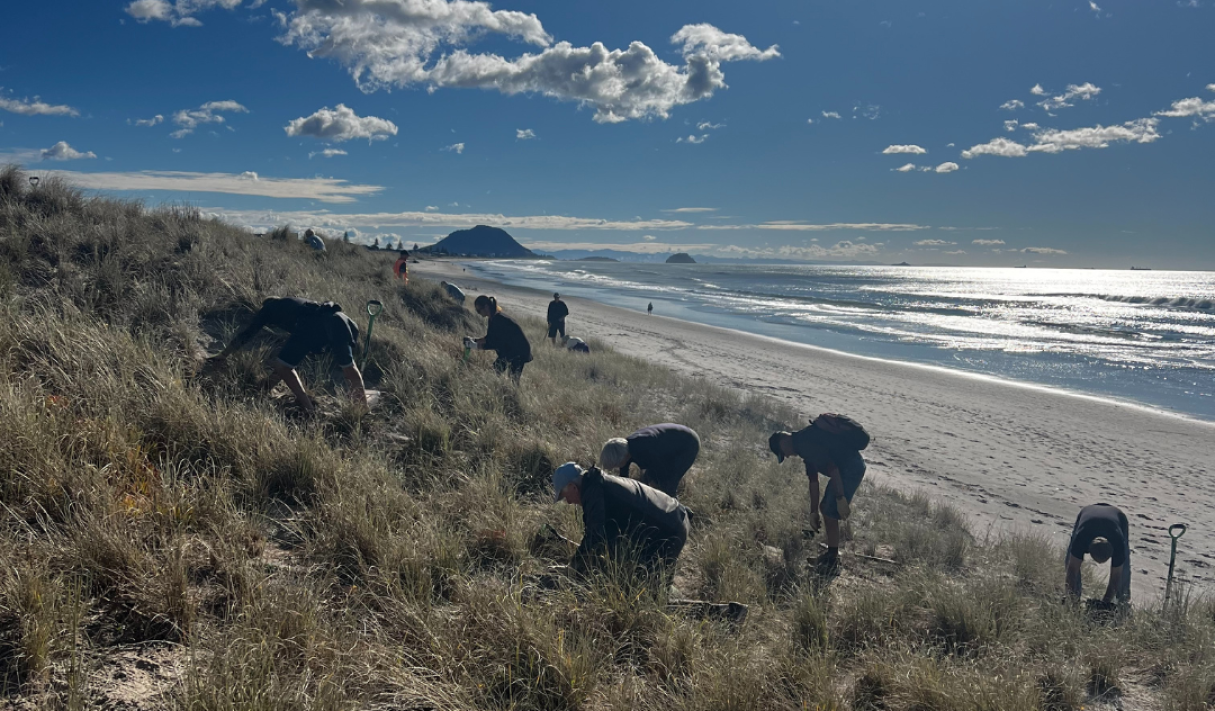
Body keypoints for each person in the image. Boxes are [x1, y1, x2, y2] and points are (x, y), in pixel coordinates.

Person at [208, 297, 366, 413]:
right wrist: (267, 385)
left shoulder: (269, 309)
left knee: (283, 366)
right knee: (348, 366)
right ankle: (363, 408)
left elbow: (247, 334)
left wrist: (223, 355)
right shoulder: (296, 304)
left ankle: (308, 408)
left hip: (313, 326)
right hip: (344, 322)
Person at [553, 463, 690, 582]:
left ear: (572, 487)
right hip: (674, 516)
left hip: (669, 529)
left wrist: (572, 567)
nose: (569, 502)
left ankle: (700, 608)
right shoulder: (598, 484)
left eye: (565, 497)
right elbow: (605, 536)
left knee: (649, 595)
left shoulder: (593, 491)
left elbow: (595, 535)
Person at [769, 417, 868, 575]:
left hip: (851, 467)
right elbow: (813, 483)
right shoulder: (803, 447)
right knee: (825, 508)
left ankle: (832, 560)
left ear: (783, 441)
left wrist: (840, 498)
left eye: (783, 453)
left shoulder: (805, 443)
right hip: (848, 467)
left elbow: (834, 470)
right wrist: (813, 512)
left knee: (829, 511)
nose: (786, 456)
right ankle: (831, 555)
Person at [599, 424, 700, 498]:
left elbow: (660, 469)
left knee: (668, 485)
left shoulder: (645, 449)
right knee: (649, 480)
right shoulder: (625, 448)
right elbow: (624, 477)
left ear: (623, 457)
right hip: (669, 445)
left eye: (616, 464)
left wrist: (654, 484)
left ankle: (680, 513)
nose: (617, 467)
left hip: (687, 444)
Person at [1066, 503, 1132, 605]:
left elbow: (1116, 576)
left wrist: (1105, 603)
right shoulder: (1081, 538)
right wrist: (1071, 597)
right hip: (1087, 513)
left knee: (1124, 565)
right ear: (1088, 549)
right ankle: (1073, 597)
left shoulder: (1118, 542)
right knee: (1069, 560)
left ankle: (1122, 599)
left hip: (1119, 517)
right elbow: (1072, 569)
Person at [469, 295, 532, 383]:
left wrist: (475, 346)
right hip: (509, 349)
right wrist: (474, 340)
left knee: (513, 379)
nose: (478, 313)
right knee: (495, 371)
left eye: (479, 310)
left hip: (519, 351)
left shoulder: (499, 320)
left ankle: (513, 395)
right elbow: (489, 338)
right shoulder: (492, 318)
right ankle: (496, 391)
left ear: (486, 307)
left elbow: (494, 343)